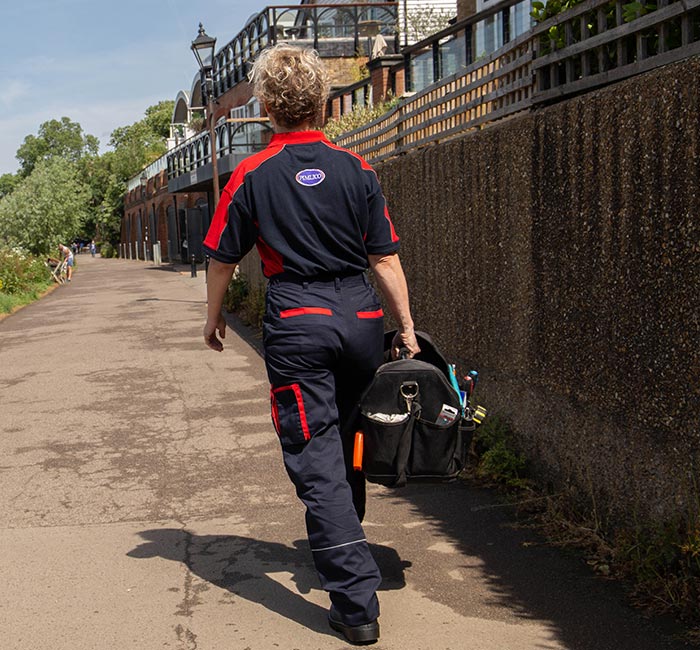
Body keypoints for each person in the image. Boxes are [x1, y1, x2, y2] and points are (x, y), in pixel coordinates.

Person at [202, 44, 419, 645]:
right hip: (359, 319)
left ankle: (354, 600)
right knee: (348, 436)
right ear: (323, 104)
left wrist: (214, 319)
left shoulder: (251, 174)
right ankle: (346, 544)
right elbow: (386, 257)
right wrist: (403, 327)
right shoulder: (357, 169)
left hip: (299, 321)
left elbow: (222, 261)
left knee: (315, 454)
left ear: (267, 106)